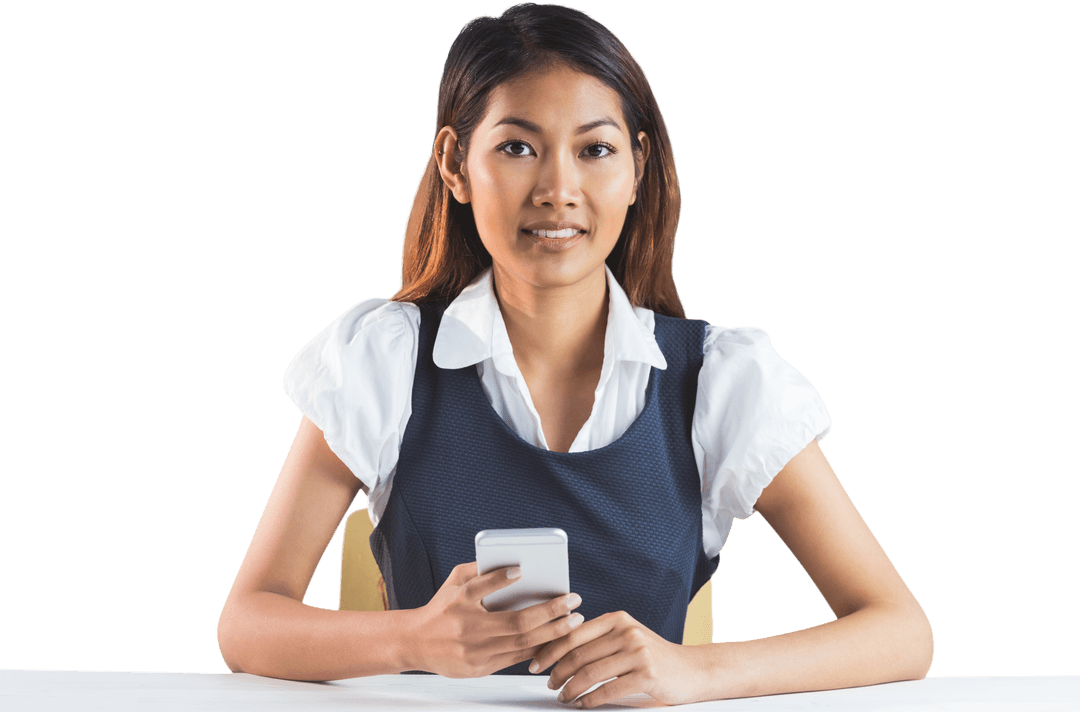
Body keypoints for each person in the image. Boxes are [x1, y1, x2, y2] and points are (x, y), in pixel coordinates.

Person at [216, 3, 934, 706]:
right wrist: (413, 639)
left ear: (637, 169)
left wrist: (697, 671)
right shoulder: (384, 360)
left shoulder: (721, 381)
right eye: (518, 147)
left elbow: (900, 631)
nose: (559, 191)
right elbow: (248, 621)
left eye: (594, 150)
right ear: (455, 166)